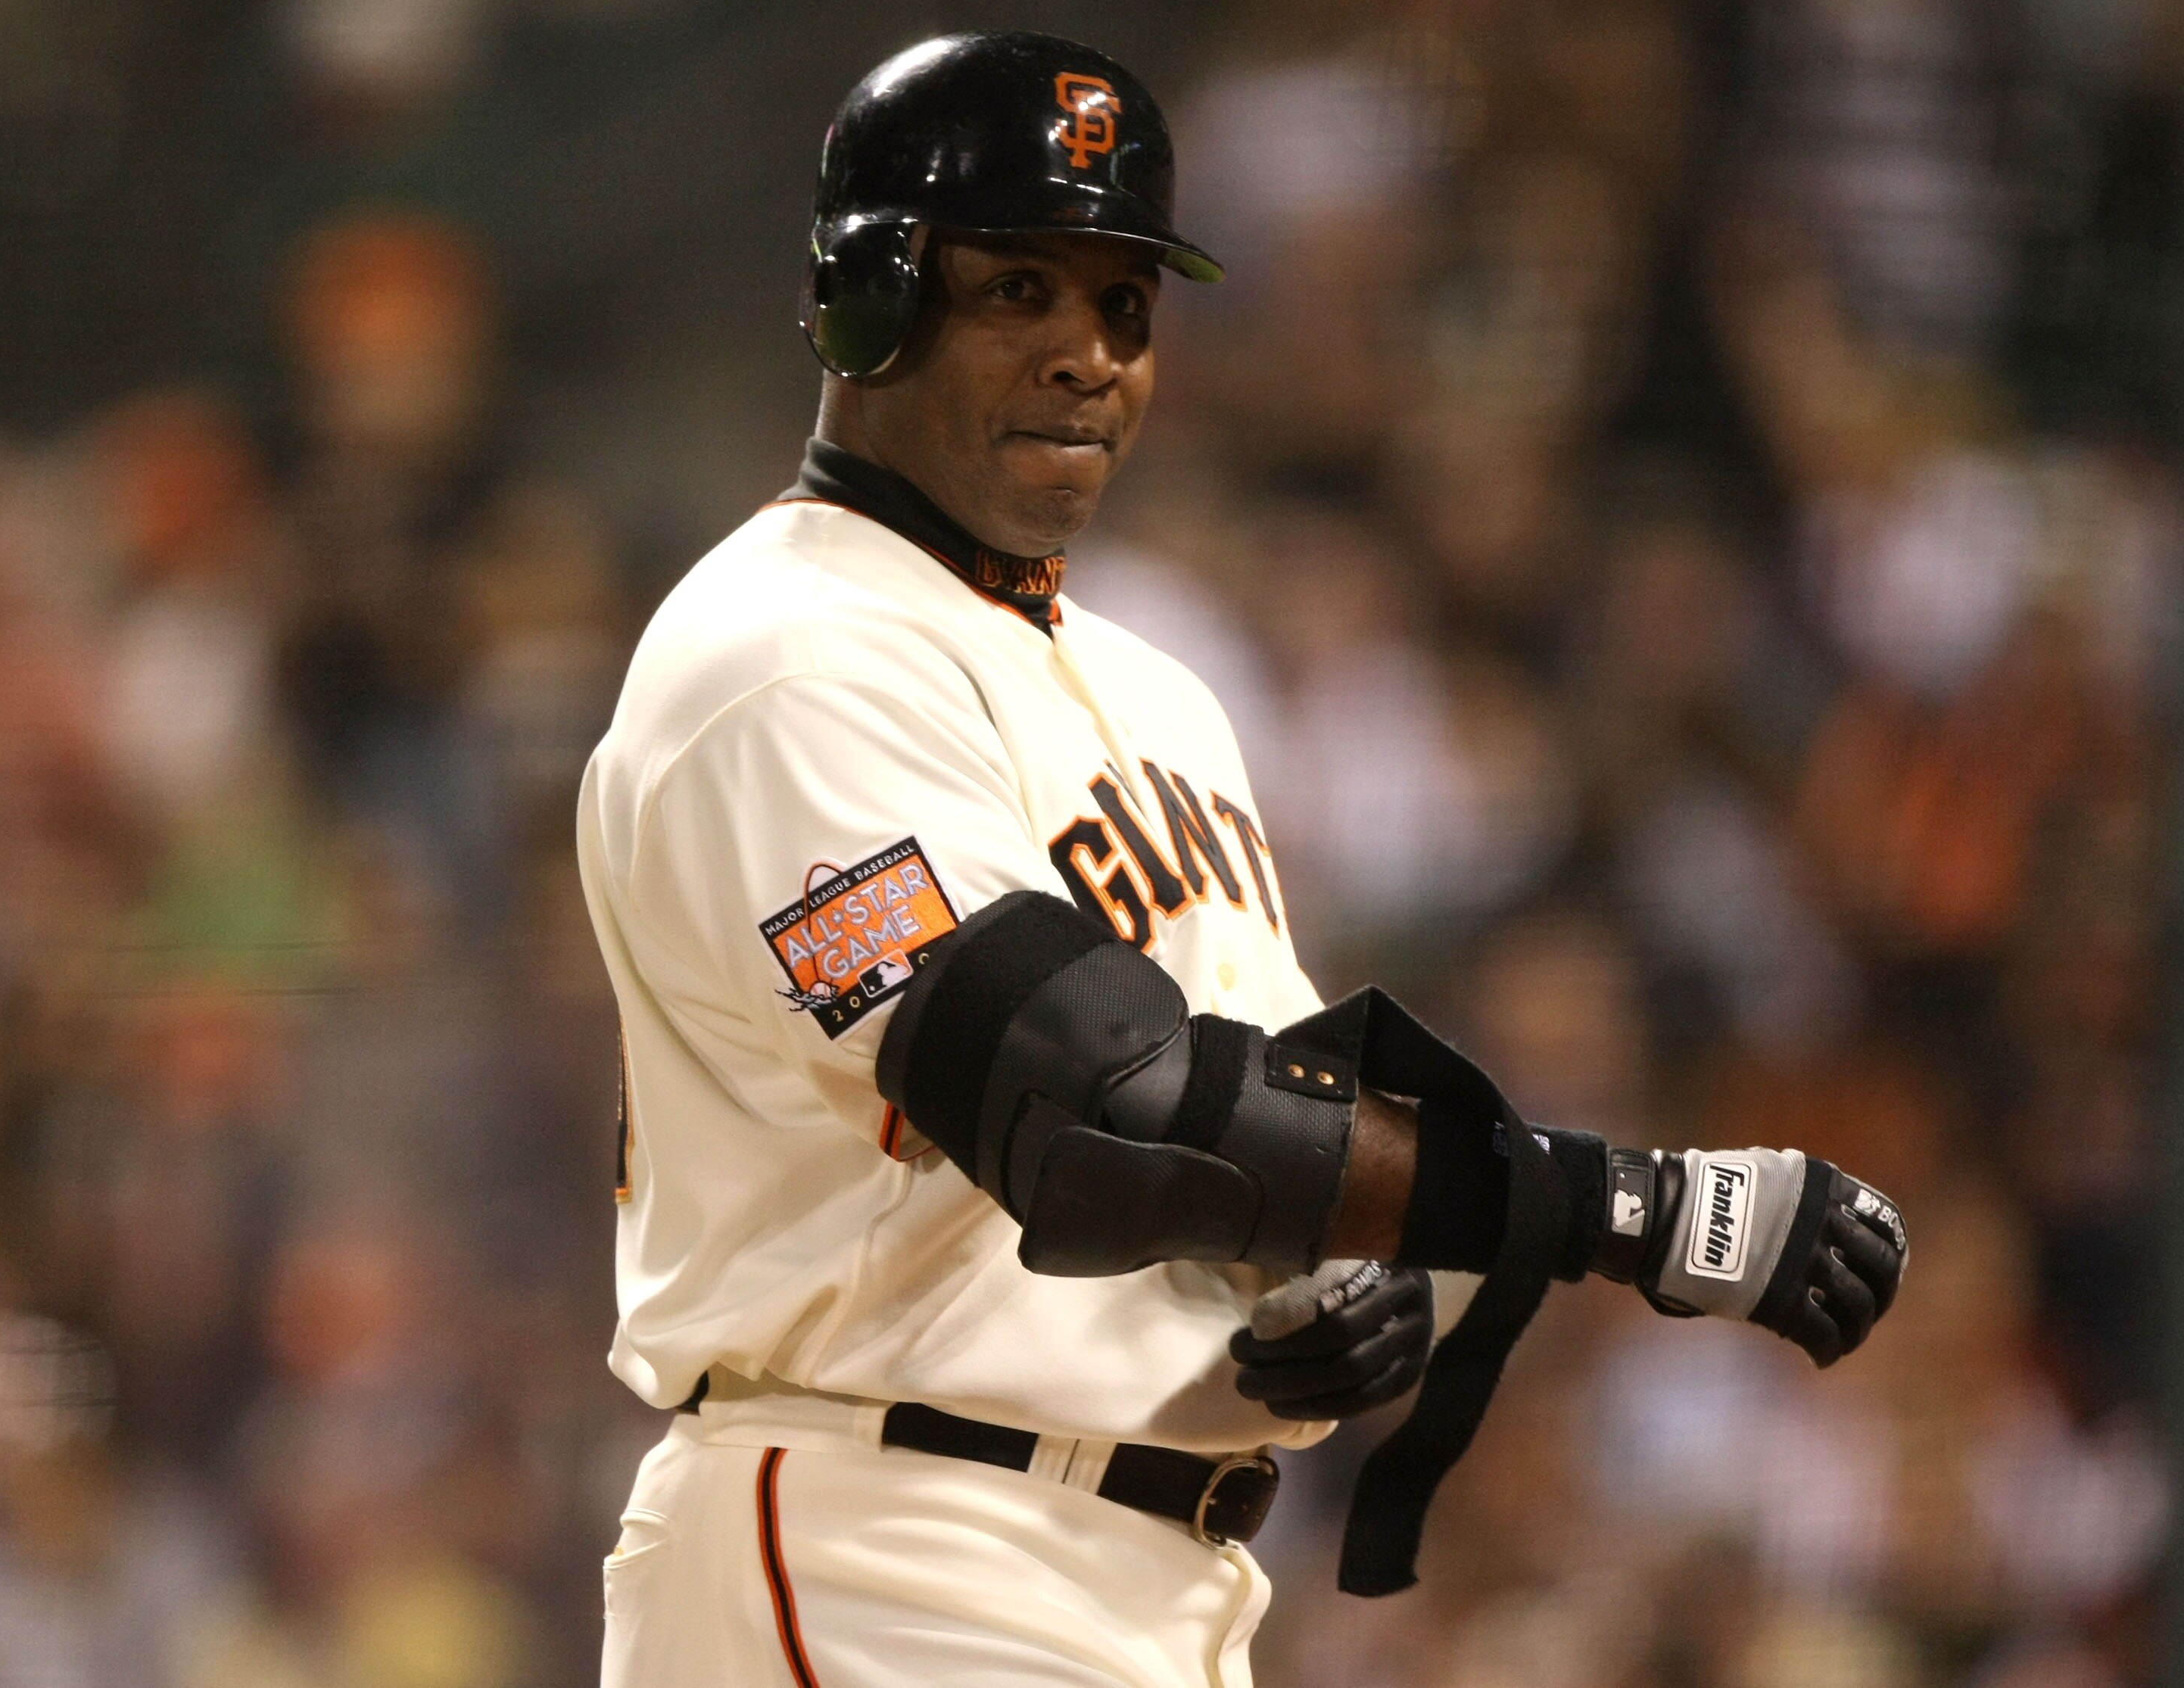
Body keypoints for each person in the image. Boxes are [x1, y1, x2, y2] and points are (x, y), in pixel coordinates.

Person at [576, 32, 1908, 1688]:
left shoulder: (1163, 695)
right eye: (1020, 293)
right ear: (861, 302)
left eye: (1124, 305)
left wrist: (1329, 1282)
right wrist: (1634, 1209)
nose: (1087, 355)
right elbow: (1094, 1112)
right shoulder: (783, 651)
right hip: (882, 1542)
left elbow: (1269, 1115)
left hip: (1150, 1572)